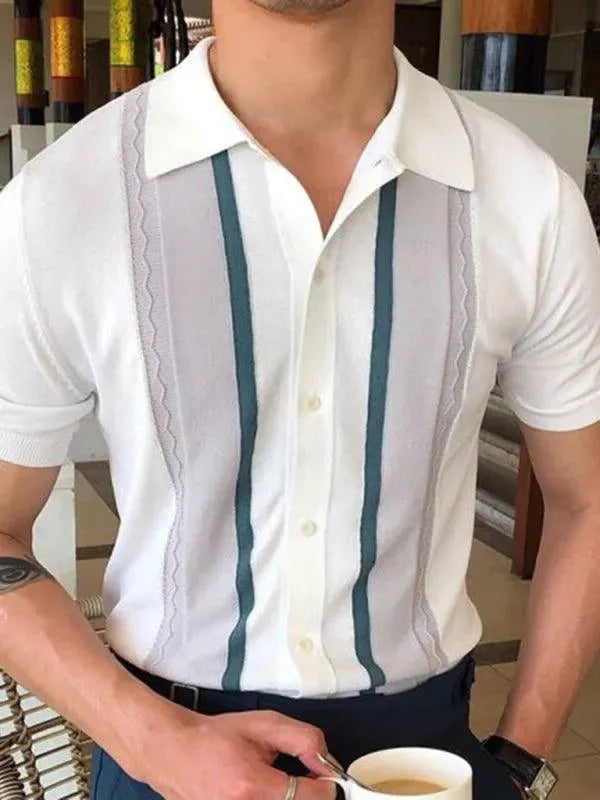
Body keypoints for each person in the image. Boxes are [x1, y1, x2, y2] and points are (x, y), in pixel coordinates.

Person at [1, 0, 600, 798]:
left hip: (421, 754)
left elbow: (586, 498)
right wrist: (153, 740)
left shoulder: (528, 200)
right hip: (159, 748)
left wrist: (522, 762)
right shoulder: (62, 200)